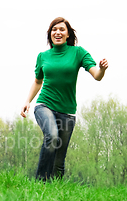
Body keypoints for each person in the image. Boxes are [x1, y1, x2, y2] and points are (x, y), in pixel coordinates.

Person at [20, 17, 108, 181]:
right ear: (50, 34)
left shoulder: (78, 53)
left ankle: (56, 192)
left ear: (68, 34)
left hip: (67, 112)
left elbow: (96, 75)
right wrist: (27, 101)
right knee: (52, 136)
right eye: (54, 29)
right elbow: (38, 82)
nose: (58, 32)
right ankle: (40, 183)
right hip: (44, 104)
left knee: (59, 160)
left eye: (61, 29)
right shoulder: (43, 56)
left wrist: (101, 69)